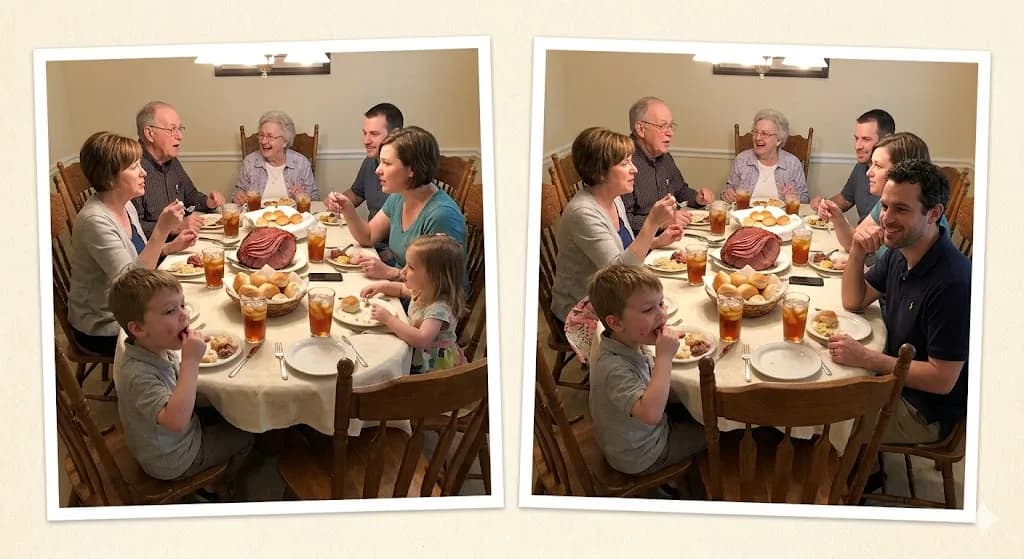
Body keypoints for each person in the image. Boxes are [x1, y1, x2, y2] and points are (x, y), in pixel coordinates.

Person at [833, 159, 969, 444]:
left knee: (826, 416)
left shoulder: (952, 283)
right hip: (891, 376)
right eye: (885, 206)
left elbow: (942, 379)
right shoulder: (901, 249)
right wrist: (857, 251)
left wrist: (867, 358)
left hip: (922, 409)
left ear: (934, 213)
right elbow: (854, 300)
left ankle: (844, 467)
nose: (886, 218)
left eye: (901, 209)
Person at [109, 268, 253, 482]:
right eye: (170, 311)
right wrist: (191, 361)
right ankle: (216, 488)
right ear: (138, 328)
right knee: (248, 431)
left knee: (228, 410)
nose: (185, 315)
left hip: (170, 437)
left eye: (183, 305)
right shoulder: (137, 374)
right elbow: (175, 421)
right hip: (173, 458)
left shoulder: (154, 346)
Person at [69, 132, 197, 358]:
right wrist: (162, 230)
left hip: (134, 307)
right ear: (109, 177)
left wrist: (169, 248)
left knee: (189, 308)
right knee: (182, 330)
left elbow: (137, 259)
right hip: (103, 324)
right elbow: (132, 286)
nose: (143, 172)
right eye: (134, 167)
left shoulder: (125, 205)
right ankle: (171, 377)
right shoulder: (94, 221)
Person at [550, 127, 683, 324]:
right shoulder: (583, 213)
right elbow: (619, 276)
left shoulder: (613, 198)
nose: (634, 169)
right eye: (625, 163)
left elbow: (620, 252)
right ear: (600, 172)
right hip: (582, 311)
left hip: (613, 297)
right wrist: (652, 223)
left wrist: (655, 242)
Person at [588, 264, 706, 475]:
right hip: (641, 453)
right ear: (616, 323)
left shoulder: (630, 340)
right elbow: (651, 414)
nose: (662, 314)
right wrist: (664, 358)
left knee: (693, 407)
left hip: (636, 434)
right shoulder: (613, 367)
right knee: (715, 430)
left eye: (661, 303)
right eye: (648, 310)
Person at [325, 126, 466, 281]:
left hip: (423, 294)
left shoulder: (441, 216)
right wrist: (347, 207)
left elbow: (439, 288)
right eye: (380, 162)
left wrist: (391, 273)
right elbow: (368, 236)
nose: (378, 170)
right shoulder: (400, 196)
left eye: (387, 163)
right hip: (402, 284)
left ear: (411, 169)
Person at [817, 132, 949, 258]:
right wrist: (837, 218)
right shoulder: (886, 204)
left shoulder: (924, 223)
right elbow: (854, 242)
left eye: (878, 166)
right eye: (871, 164)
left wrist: (862, 267)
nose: (869, 172)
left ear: (903, 170)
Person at [360, 235, 467, 374]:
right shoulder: (423, 290)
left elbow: (422, 339)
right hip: (415, 352)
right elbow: (401, 289)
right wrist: (382, 287)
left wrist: (389, 320)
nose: (403, 271)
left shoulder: (438, 308)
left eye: (411, 267)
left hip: (433, 370)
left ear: (434, 277)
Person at [620, 97, 714, 235]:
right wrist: (662, 222)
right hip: (647, 243)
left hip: (673, 234)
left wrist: (698, 198)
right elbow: (624, 222)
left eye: (670, 126)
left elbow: (680, 190)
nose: (670, 133)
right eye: (663, 126)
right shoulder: (623, 163)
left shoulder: (663, 156)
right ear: (641, 129)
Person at [134, 101, 225, 236]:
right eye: (172, 130)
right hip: (158, 248)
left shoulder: (170, 160)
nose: (180, 136)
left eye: (179, 129)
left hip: (183, 240)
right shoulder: (131, 167)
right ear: (149, 133)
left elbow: (191, 196)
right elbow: (133, 229)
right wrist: (174, 227)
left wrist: (208, 202)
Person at [810, 109, 895, 223]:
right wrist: (825, 205)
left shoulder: (898, 178)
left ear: (886, 140)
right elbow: (845, 199)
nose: (857, 146)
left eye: (866, 139)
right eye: (856, 138)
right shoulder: (861, 166)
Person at [722, 108, 809, 202]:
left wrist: (793, 197)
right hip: (746, 211)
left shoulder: (793, 164)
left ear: (779, 140)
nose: (757, 138)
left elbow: (805, 199)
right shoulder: (742, 159)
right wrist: (727, 194)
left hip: (780, 212)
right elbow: (727, 191)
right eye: (755, 132)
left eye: (764, 133)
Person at [233, 110, 318, 204]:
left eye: (270, 136)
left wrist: (304, 198)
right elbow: (237, 193)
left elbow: (315, 200)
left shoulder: (301, 163)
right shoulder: (250, 162)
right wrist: (238, 196)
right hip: (257, 213)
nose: (263, 141)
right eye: (261, 135)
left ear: (285, 141)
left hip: (292, 214)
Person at [336, 102, 404, 219]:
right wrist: (338, 202)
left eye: (374, 134)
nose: (366, 141)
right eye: (365, 133)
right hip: (371, 229)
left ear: (395, 134)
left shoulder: (405, 171)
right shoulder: (370, 161)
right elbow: (357, 193)